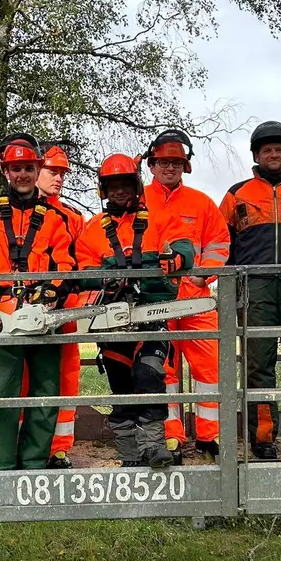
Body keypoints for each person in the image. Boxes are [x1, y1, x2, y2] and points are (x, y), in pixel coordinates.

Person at [0, 133, 76, 471]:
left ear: (38, 170)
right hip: (1, 317)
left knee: (45, 393)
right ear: (6, 171)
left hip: (45, 317)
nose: (22, 174)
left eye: (28, 168)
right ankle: (1, 469)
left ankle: (35, 463)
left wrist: (52, 290)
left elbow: (67, 263)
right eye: (16, 168)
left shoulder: (57, 218)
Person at [73, 154, 196, 467]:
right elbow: (82, 271)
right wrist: (105, 276)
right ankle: (130, 454)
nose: (120, 191)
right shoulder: (92, 231)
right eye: (113, 186)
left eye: (126, 184)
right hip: (111, 318)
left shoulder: (158, 219)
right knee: (121, 386)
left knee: (149, 373)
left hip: (151, 311)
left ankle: (153, 446)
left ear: (136, 186)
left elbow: (184, 246)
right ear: (104, 189)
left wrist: (176, 259)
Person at [219, 121, 281, 460]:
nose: (273, 154)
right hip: (255, 286)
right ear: (256, 155)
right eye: (266, 150)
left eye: (278, 149)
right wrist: (230, 285)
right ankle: (262, 438)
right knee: (257, 363)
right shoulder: (237, 194)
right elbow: (222, 243)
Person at [140, 128, 230, 461]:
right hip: (156, 300)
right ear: (152, 164)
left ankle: (210, 434)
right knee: (164, 369)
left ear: (184, 166)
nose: (169, 168)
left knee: (209, 368)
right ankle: (171, 434)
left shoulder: (202, 203)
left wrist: (202, 274)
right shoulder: (139, 201)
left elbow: (220, 243)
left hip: (196, 298)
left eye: (176, 162)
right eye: (164, 162)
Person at [37, 145, 86, 468]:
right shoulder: (13, 212)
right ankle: (27, 445)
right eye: (53, 172)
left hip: (64, 309)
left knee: (67, 376)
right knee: (26, 380)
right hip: (24, 307)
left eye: (62, 174)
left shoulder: (73, 218)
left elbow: (83, 264)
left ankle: (59, 446)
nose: (59, 179)